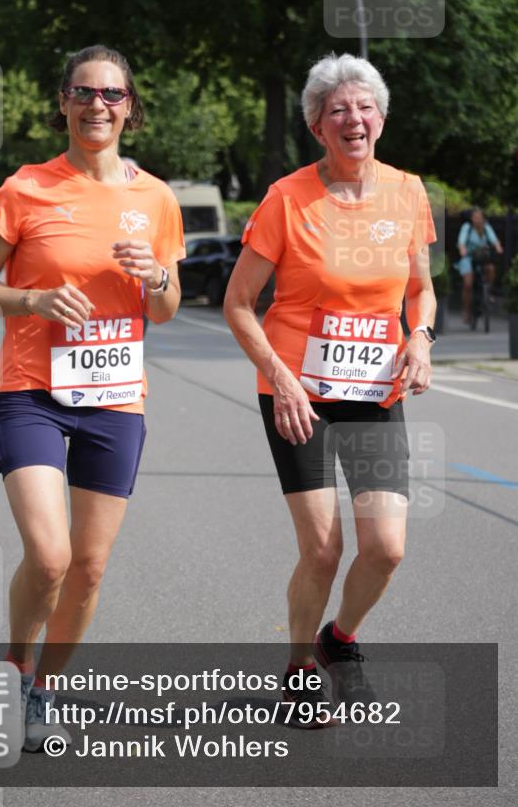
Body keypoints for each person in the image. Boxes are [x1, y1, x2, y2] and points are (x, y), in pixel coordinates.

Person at [0, 44, 185, 752]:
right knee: (50, 556)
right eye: (84, 92)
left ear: (130, 108)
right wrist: (31, 297)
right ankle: (14, 661)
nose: (98, 105)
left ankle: (44, 687)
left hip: (115, 397)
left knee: (87, 568)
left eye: (112, 94)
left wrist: (155, 278)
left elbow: (168, 309)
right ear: (62, 102)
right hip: (31, 389)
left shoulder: (156, 198)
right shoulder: (26, 188)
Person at [224, 54, 436, 726]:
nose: (353, 119)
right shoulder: (286, 199)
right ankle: (297, 671)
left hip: (374, 391)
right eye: (337, 110)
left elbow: (420, 289)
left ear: (381, 117)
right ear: (317, 126)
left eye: (363, 107)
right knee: (322, 548)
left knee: (386, 548)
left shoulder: (406, 192)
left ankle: (337, 638)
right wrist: (280, 378)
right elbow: (237, 302)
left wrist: (421, 337)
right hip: (296, 393)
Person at [456, 208, 503, 326]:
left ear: (483, 218)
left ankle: (488, 291)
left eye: (479, 217)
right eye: (475, 217)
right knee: (468, 284)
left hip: (482, 257)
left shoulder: (486, 227)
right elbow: (461, 241)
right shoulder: (467, 227)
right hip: (469, 257)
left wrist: (498, 247)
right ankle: (467, 311)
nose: (477, 220)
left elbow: (494, 240)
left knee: (491, 269)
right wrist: (462, 249)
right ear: (471, 219)